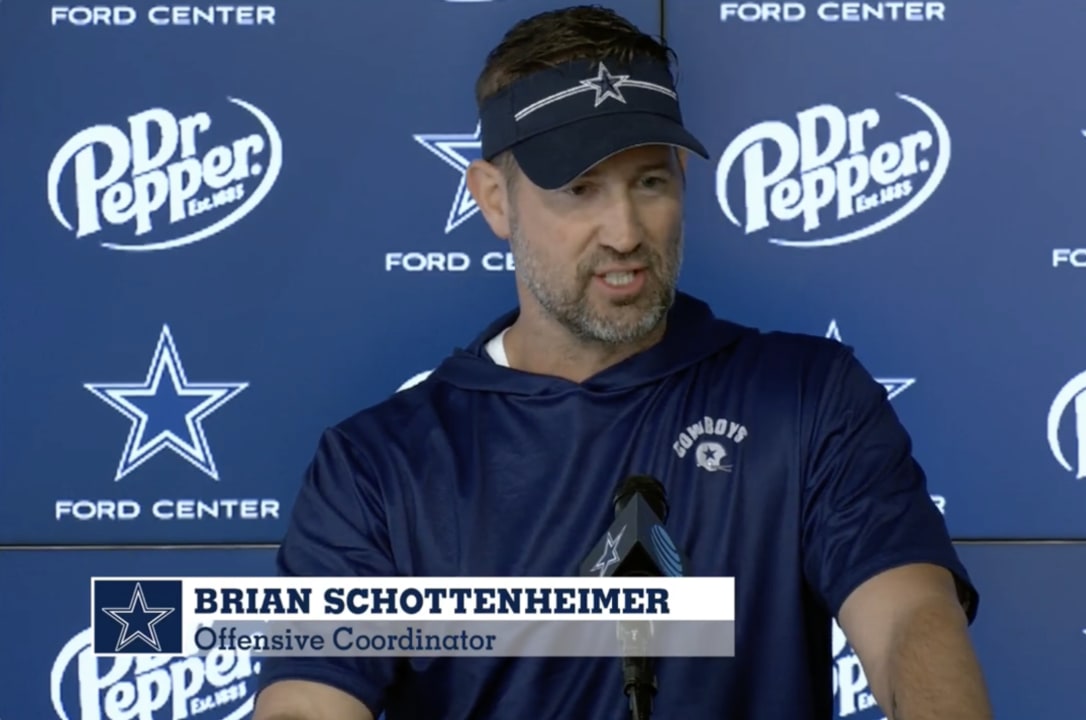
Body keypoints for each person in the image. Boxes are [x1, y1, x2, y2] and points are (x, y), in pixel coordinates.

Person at [251, 5, 992, 719]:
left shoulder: (806, 398)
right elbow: (310, 700)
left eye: (649, 182)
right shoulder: (378, 464)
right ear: (494, 200)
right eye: (580, 190)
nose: (626, 232)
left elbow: (907, 618)